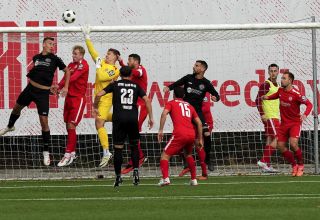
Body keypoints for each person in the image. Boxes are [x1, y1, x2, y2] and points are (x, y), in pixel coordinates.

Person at [0, 37, 70, 166]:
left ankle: (46, 152)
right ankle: (10, 126)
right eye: (50, 44)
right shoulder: (36, 57)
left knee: (44, 122)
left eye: (53, 44)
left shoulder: (55, 59)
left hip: (42, 94)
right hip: (30, 89)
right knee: (16, 108)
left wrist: (64, 87)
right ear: (43, 44)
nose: (52, 46)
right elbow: (39, 74)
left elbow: (67, 71)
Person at [93, 66, 154, 187]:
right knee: (134, 147)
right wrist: (151, 117)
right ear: (131, 74)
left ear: (120, 74)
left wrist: (95, 107)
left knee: (118, 148)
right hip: (132, 119)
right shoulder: (136, 86)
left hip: (119, 119)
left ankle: (118, 177)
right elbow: (147, 100)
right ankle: (136, 174)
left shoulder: (115, 84)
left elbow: (99, 94)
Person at [164, 60, 220, 179]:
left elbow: (216, 94)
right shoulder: (188, 78)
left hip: (197, 113)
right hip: (187, 112)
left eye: (197, 65)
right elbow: (177, 83)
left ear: (203, 69)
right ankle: (188, 164)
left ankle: (207, 161)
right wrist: (168, 88)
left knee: (205, 135)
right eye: (195, 65)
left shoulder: (206, 83)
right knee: (185, 138)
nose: (194, 67)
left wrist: (216, 98)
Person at [82, 26, 120, 167]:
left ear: (116, 57)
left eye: (110, 54)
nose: (107, 55)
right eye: (107, 53)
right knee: (102, 120)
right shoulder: (102, 63)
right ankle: (119, 117)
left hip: (106, 98)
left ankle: (106, 151)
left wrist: (98, 66)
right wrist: (87, 37)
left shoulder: (115, 71)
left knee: (99, 122)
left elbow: (101, 76)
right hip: (98, 97)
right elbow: (93, 52)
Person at [262, 71, 313, 176]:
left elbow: (309, 104)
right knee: (280, 146)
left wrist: (305, 115)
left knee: (293, 144)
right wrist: (267, 97)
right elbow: (276, 95)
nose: (282, 80)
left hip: (295, 123)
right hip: (284, 124)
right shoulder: (280, 90)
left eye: (284, 78)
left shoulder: (296, 94)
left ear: (290, 80)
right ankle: (294, 165)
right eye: (282, 78)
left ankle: (301, 165)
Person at [158, 87, 203, 186]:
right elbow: (199, 123)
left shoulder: (171, 103)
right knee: (189, 155)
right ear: (183, 96)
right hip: (191, 134)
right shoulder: (190, 106)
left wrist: (160, 130)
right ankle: (194, 180)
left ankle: (165, 179)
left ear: (173, 95)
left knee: (165, 156)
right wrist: (200, 139)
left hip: (179, 133)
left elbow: (164, 114)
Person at [55, 45, 89, 167]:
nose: (73, 55)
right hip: (69, 98)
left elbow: (73, 78)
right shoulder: (70, 65)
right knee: (68, 125)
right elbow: (65, 77)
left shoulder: (83, 65)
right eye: (73, 53)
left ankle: (67, 154)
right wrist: (58, 87)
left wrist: (64, 87)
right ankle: (73, 153)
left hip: (78, 99)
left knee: (71, 124)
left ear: (81, 55)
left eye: (76, 53)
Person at [119, 54, 148, 174]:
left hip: (140, 106)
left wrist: (121, 64)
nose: (127, 62)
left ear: (136, 61)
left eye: (129, 60)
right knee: (130, 132)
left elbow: (135, 73)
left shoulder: (140, 69)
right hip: (134, 106)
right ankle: (138, 156)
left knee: (133, 132)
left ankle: (138, 158)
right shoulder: (132, 71)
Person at [255, 63, 280, 172]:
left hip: (275, 116)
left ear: (278, 72)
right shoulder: (266, 84)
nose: (273, 73)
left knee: (270, 139)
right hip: (269, 116)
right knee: (277, 138)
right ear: (268, 72)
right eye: (271, 71)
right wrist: (262, 114)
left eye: (275, 71)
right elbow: (257, 100)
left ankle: (266, 166)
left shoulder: (277, 85)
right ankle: (263, 160)